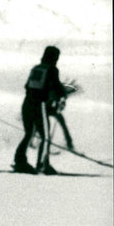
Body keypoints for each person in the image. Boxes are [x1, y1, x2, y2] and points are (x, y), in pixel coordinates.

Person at [13, 46, 67, 174]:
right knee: (45, 136)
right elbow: (56, 86)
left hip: (27, 103)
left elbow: (27, 86)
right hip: (39, 105)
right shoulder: (52, 69)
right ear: (54, 58)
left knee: (29, 133)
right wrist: (61, 96)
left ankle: (20, 161)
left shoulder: (36, 68)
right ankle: (43, 164)